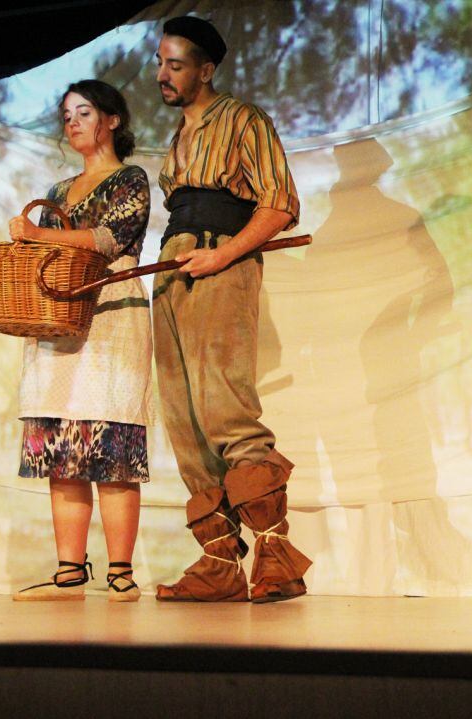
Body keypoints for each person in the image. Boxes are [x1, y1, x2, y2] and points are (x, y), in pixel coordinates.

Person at [151, 16, 311, 603]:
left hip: (220, 262)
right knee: (183, 415)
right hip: (173, 269)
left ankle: (276, 556)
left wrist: (225, 258)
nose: (162, 75)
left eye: (175, 64)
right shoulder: (177, 139)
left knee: (224, 405)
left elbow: (279, 205)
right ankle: (219, 563)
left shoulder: (244, 119)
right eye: (161, 63)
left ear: (205, 70)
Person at [7, 80, 152, 602]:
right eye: (66, 115)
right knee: (64, 443)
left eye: (84, 112)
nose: (73, 122)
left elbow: (111, 239)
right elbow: (47, 257)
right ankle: (70, 570)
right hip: (61, 315)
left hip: (111, 311)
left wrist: (41, 236)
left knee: (110, 440)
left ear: (112, 119)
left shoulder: (129, 178)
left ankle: (121, 572)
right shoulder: (56, 192)